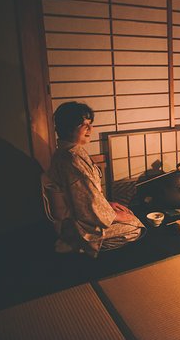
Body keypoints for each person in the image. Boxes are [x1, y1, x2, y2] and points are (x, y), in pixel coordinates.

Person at [45, 102, 145, 258]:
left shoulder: (68, 152)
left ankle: (76, 242)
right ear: (69, 127)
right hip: (79, 225)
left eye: (90, 124)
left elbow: (87, 195)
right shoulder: (71, 159)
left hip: (84, 215)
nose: (90, 129)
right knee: (135, 227)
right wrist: (113, 216)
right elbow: (87, 201)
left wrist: (109, 206)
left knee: (127, 213)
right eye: (84, 125)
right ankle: (78, 244)